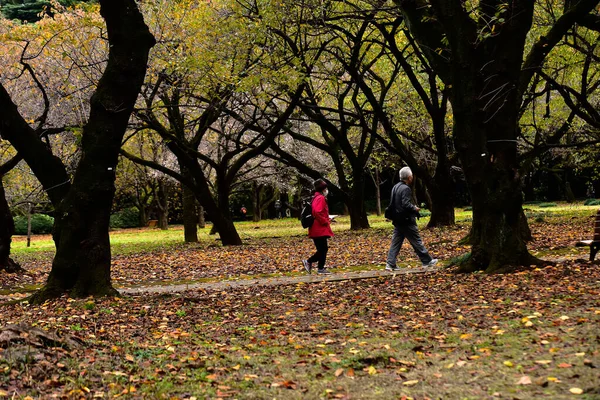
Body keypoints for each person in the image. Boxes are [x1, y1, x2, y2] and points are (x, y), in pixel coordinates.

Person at [385, 167, 438, 271]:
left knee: (396, 242)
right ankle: (427, 261)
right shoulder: (406, 188)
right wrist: (414, 208)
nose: (412, 177)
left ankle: (390, 264)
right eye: (412, 176)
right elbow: (405, 204)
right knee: (416, 240)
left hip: (397, 219)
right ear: (409, 177)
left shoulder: (395, 187)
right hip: (406, 220)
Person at [303, 179, 334, 274]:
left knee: (322, 249)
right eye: (326, 188)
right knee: (323, 249)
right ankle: (309, 262)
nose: (327, 190)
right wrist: (325, 221)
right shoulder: (320, 198)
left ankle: (320, 268)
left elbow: (317, 212)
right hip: (319, 228)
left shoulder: (315, 197)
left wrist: (328, 218)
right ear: (323, 189)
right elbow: (317, 211)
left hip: (316, 228)